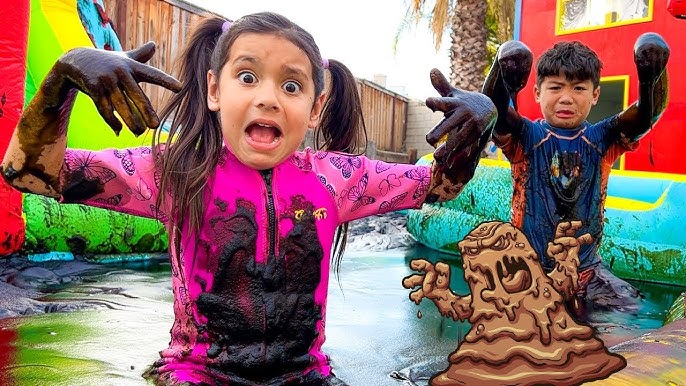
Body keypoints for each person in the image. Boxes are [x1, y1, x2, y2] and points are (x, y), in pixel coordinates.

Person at [1, 12, 496, 386]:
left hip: (305, 375)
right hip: (196, 375)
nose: (268, 97)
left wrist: (478, 127)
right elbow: (28, 173)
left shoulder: (337, 180)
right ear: (213, 90)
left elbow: (437, 186)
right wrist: (61, 81)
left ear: (316, 107)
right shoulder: (176, 172)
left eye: (291, 85)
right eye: (247, 77)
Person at [480, 33, 670, 310]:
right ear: (537, 93)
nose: (566, 98)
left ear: (595, 95)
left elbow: (645, 115)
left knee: (633, 309)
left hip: (587, 271)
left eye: (579, 89)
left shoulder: (603, 139)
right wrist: (503, 65)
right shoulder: (526, 137)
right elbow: (495, 109)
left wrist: (651, 76)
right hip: (529, 271)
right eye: (556, 87)